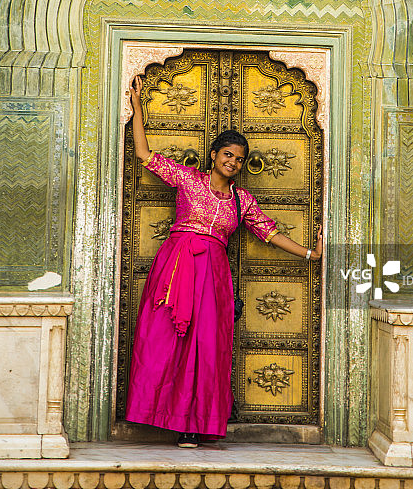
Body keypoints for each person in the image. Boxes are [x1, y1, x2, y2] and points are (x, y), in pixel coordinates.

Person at [125, 75, 323, 447]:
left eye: (239, 159)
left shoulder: (241, 201)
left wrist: (311, 253)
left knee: (207, 346)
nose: (233, 162)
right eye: (228, 155)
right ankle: (163, 416)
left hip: (213, 276)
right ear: (214, 155)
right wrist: (138, 108)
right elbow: (144, 155)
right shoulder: (188, 180)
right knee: (166, 340)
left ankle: (195, 424)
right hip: (178, 267)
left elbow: (269, 233)